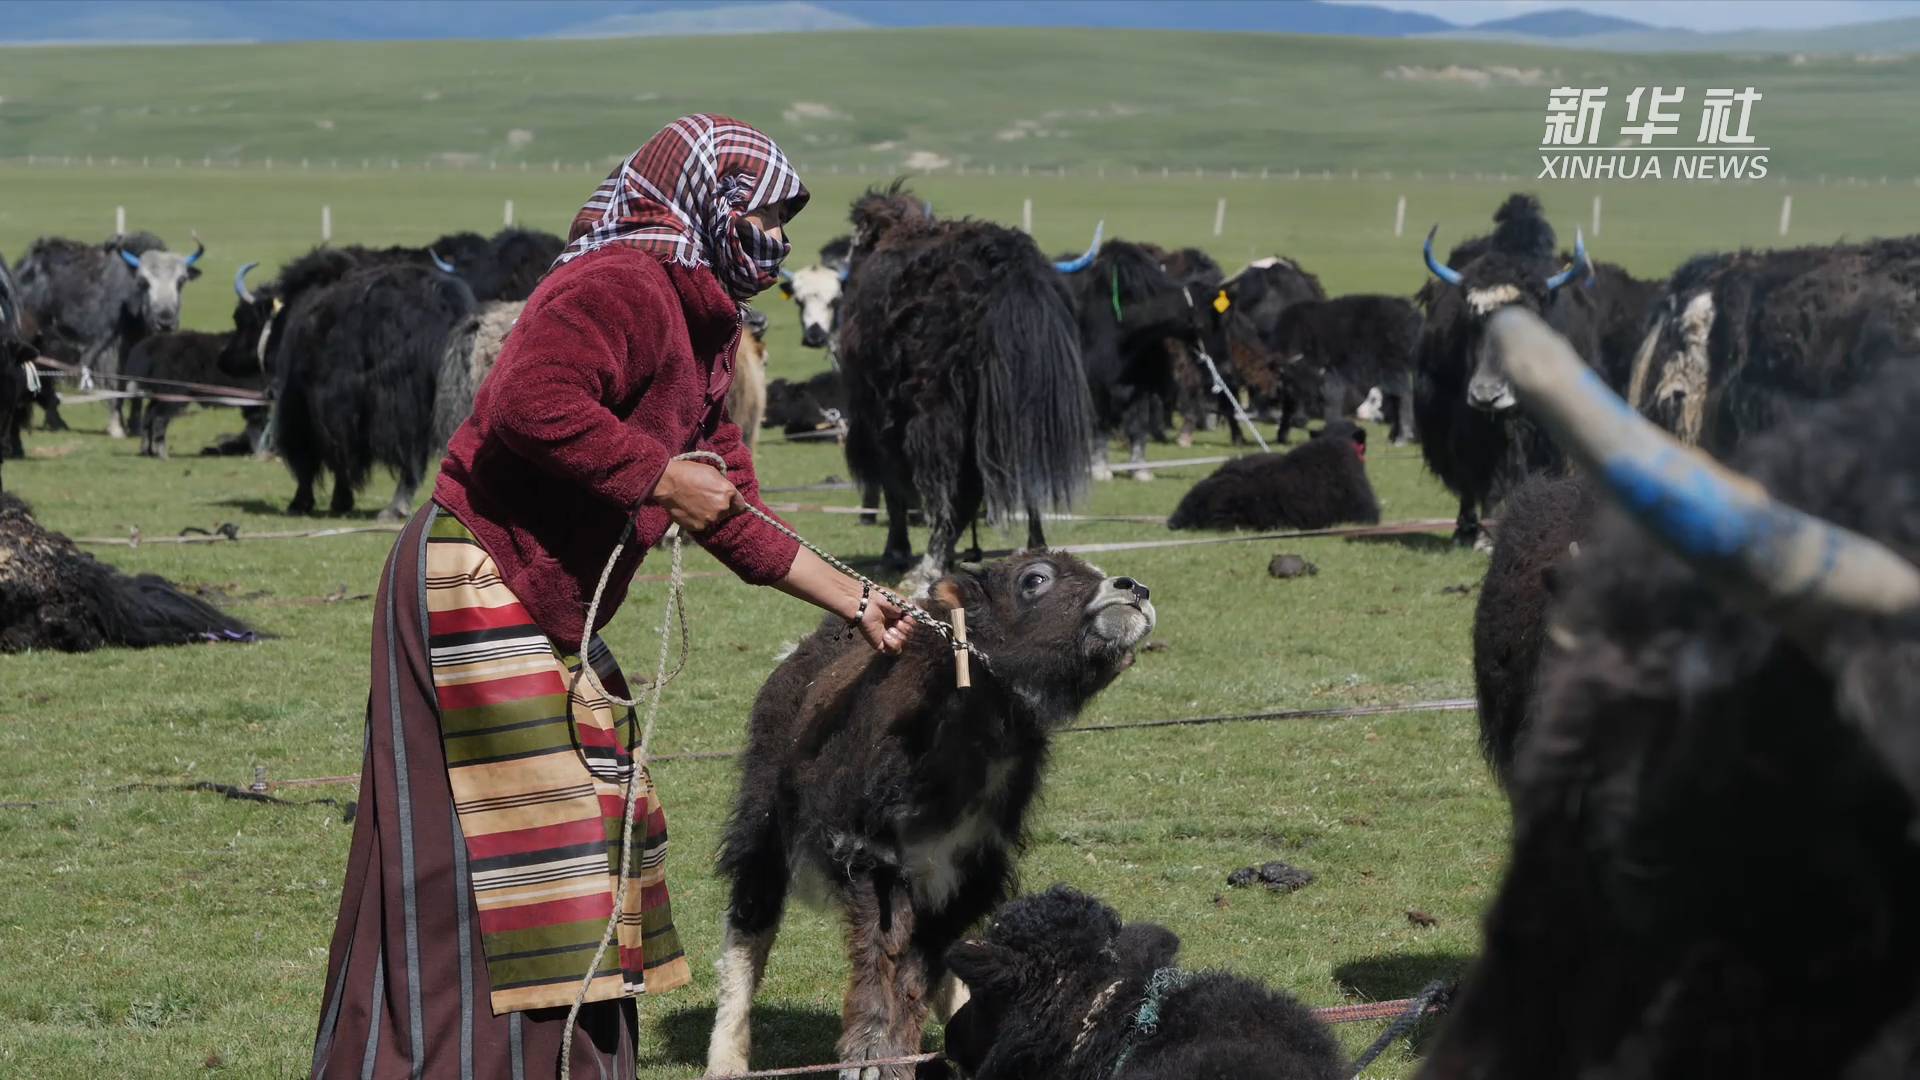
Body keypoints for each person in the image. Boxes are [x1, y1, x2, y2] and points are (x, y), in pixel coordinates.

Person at [310, 114, 914, 1079]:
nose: (776, 242)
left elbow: (733, 508)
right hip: (476, 572)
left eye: (784, 225)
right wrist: (660, 477)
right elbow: (526, 399)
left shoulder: (708, 323)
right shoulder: (620, 281)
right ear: (707, 205)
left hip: (546, 601)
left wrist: (856, 600)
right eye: (764, 217)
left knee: (589, 840)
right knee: (497, 854)